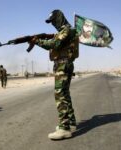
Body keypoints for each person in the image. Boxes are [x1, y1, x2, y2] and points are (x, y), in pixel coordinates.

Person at [31, 9, 79, 140]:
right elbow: (56, 40)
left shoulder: (67, 30)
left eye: (54, 21)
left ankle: (64, 128)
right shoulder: (65, 31)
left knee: (60, 94)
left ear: (59, 18)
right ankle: (71, 122)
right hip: (63, 64)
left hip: (63, 65)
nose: (53, 24)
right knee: (65, 93)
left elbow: (54, 44)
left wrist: (37, 41)